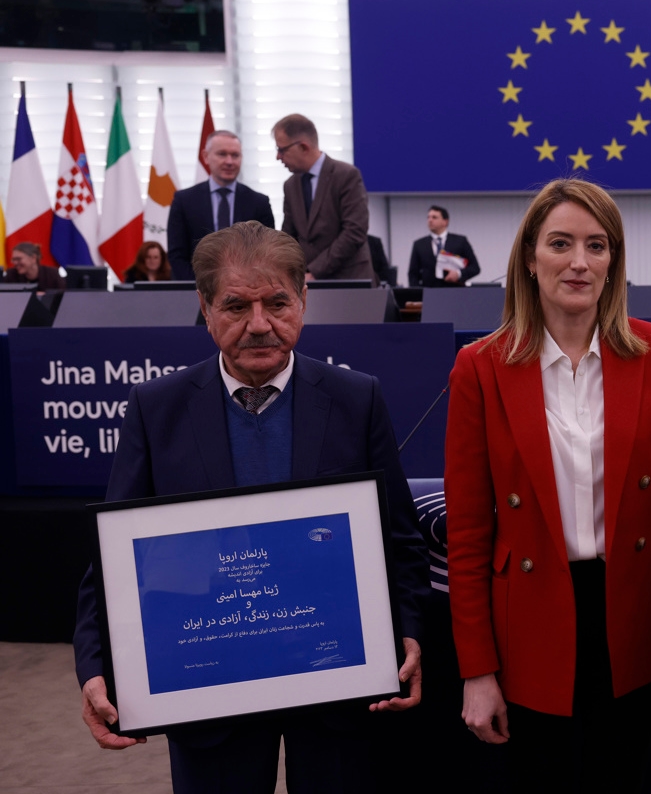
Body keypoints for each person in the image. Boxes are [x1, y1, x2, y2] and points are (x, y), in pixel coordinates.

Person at [73, 221, 428, 792]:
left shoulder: (356, 399)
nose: (259, 325)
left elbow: (401, 541)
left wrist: (408, 633)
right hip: (211, 693)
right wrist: (94, 665)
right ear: (205, 307)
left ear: (304, 300)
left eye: (278, 303)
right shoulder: (155, 408)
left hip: (338, 686)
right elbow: (113, 562)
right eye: (236, 306)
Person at [446, 179, 651, 792]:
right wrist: (477, 671)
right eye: (561, 243)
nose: (579, 262)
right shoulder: (479, 368)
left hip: (631, 617)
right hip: (530, 624)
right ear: (530, 259)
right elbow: (469, 535)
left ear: (614, 262)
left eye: (597, 245)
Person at [275, 113, 375, 282]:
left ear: (304, 147)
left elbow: (354, 232)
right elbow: (288, 237)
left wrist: (315, 272)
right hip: (307, 283)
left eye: (282, 149)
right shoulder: (290, 185)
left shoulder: (347, 175)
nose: (278, 157)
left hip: (349, 281)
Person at [165, 129, 275, 281]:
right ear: (206, 156)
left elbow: (265, 254)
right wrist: (203, 287)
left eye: (235, 155)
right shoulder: (183, 201)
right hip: (195, 291)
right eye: (222, 154)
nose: (229, 161)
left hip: (247, 290)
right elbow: (177, 255)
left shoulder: (259, 203)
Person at [409, 205, 481, 287]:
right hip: (429, 293)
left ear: (445, 222)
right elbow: (413, 274)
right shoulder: (419, 244)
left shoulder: (460, 241)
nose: (430, 220)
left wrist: (458, 274)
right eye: (428, 217)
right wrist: (416, 294)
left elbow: (475, 268)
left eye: (434, 217)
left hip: (455, 292)